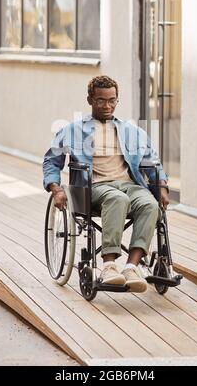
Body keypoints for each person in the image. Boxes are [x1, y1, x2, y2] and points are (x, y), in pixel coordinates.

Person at [43, 75, 169, 293]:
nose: (107, 106)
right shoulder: (71, 130)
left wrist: (163, 187)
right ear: (90, 100)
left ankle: (131, 267)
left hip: (129, 184)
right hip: (94, 187)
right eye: (101, 100)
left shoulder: (132, 131)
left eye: (112, 100)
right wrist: (55, 189)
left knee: (150, 204)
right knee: (117, 199)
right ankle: (109, 266)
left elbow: (152, 161)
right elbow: (51, 161)